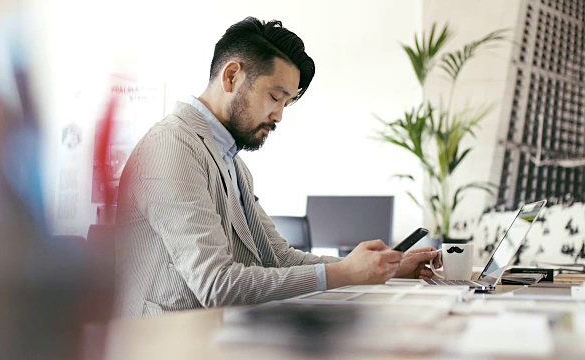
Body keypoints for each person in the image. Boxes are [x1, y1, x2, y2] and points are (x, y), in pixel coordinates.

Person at [115, 16, 441, 317]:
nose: (279, 116)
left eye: (286, 103)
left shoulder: (233, 163)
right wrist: (346, 272)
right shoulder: (171, 148)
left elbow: (280, 259)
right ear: (232, 76)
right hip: (168, 344)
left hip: (217, 336)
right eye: (275, 96)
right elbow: (218, 285)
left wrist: (381, 267)